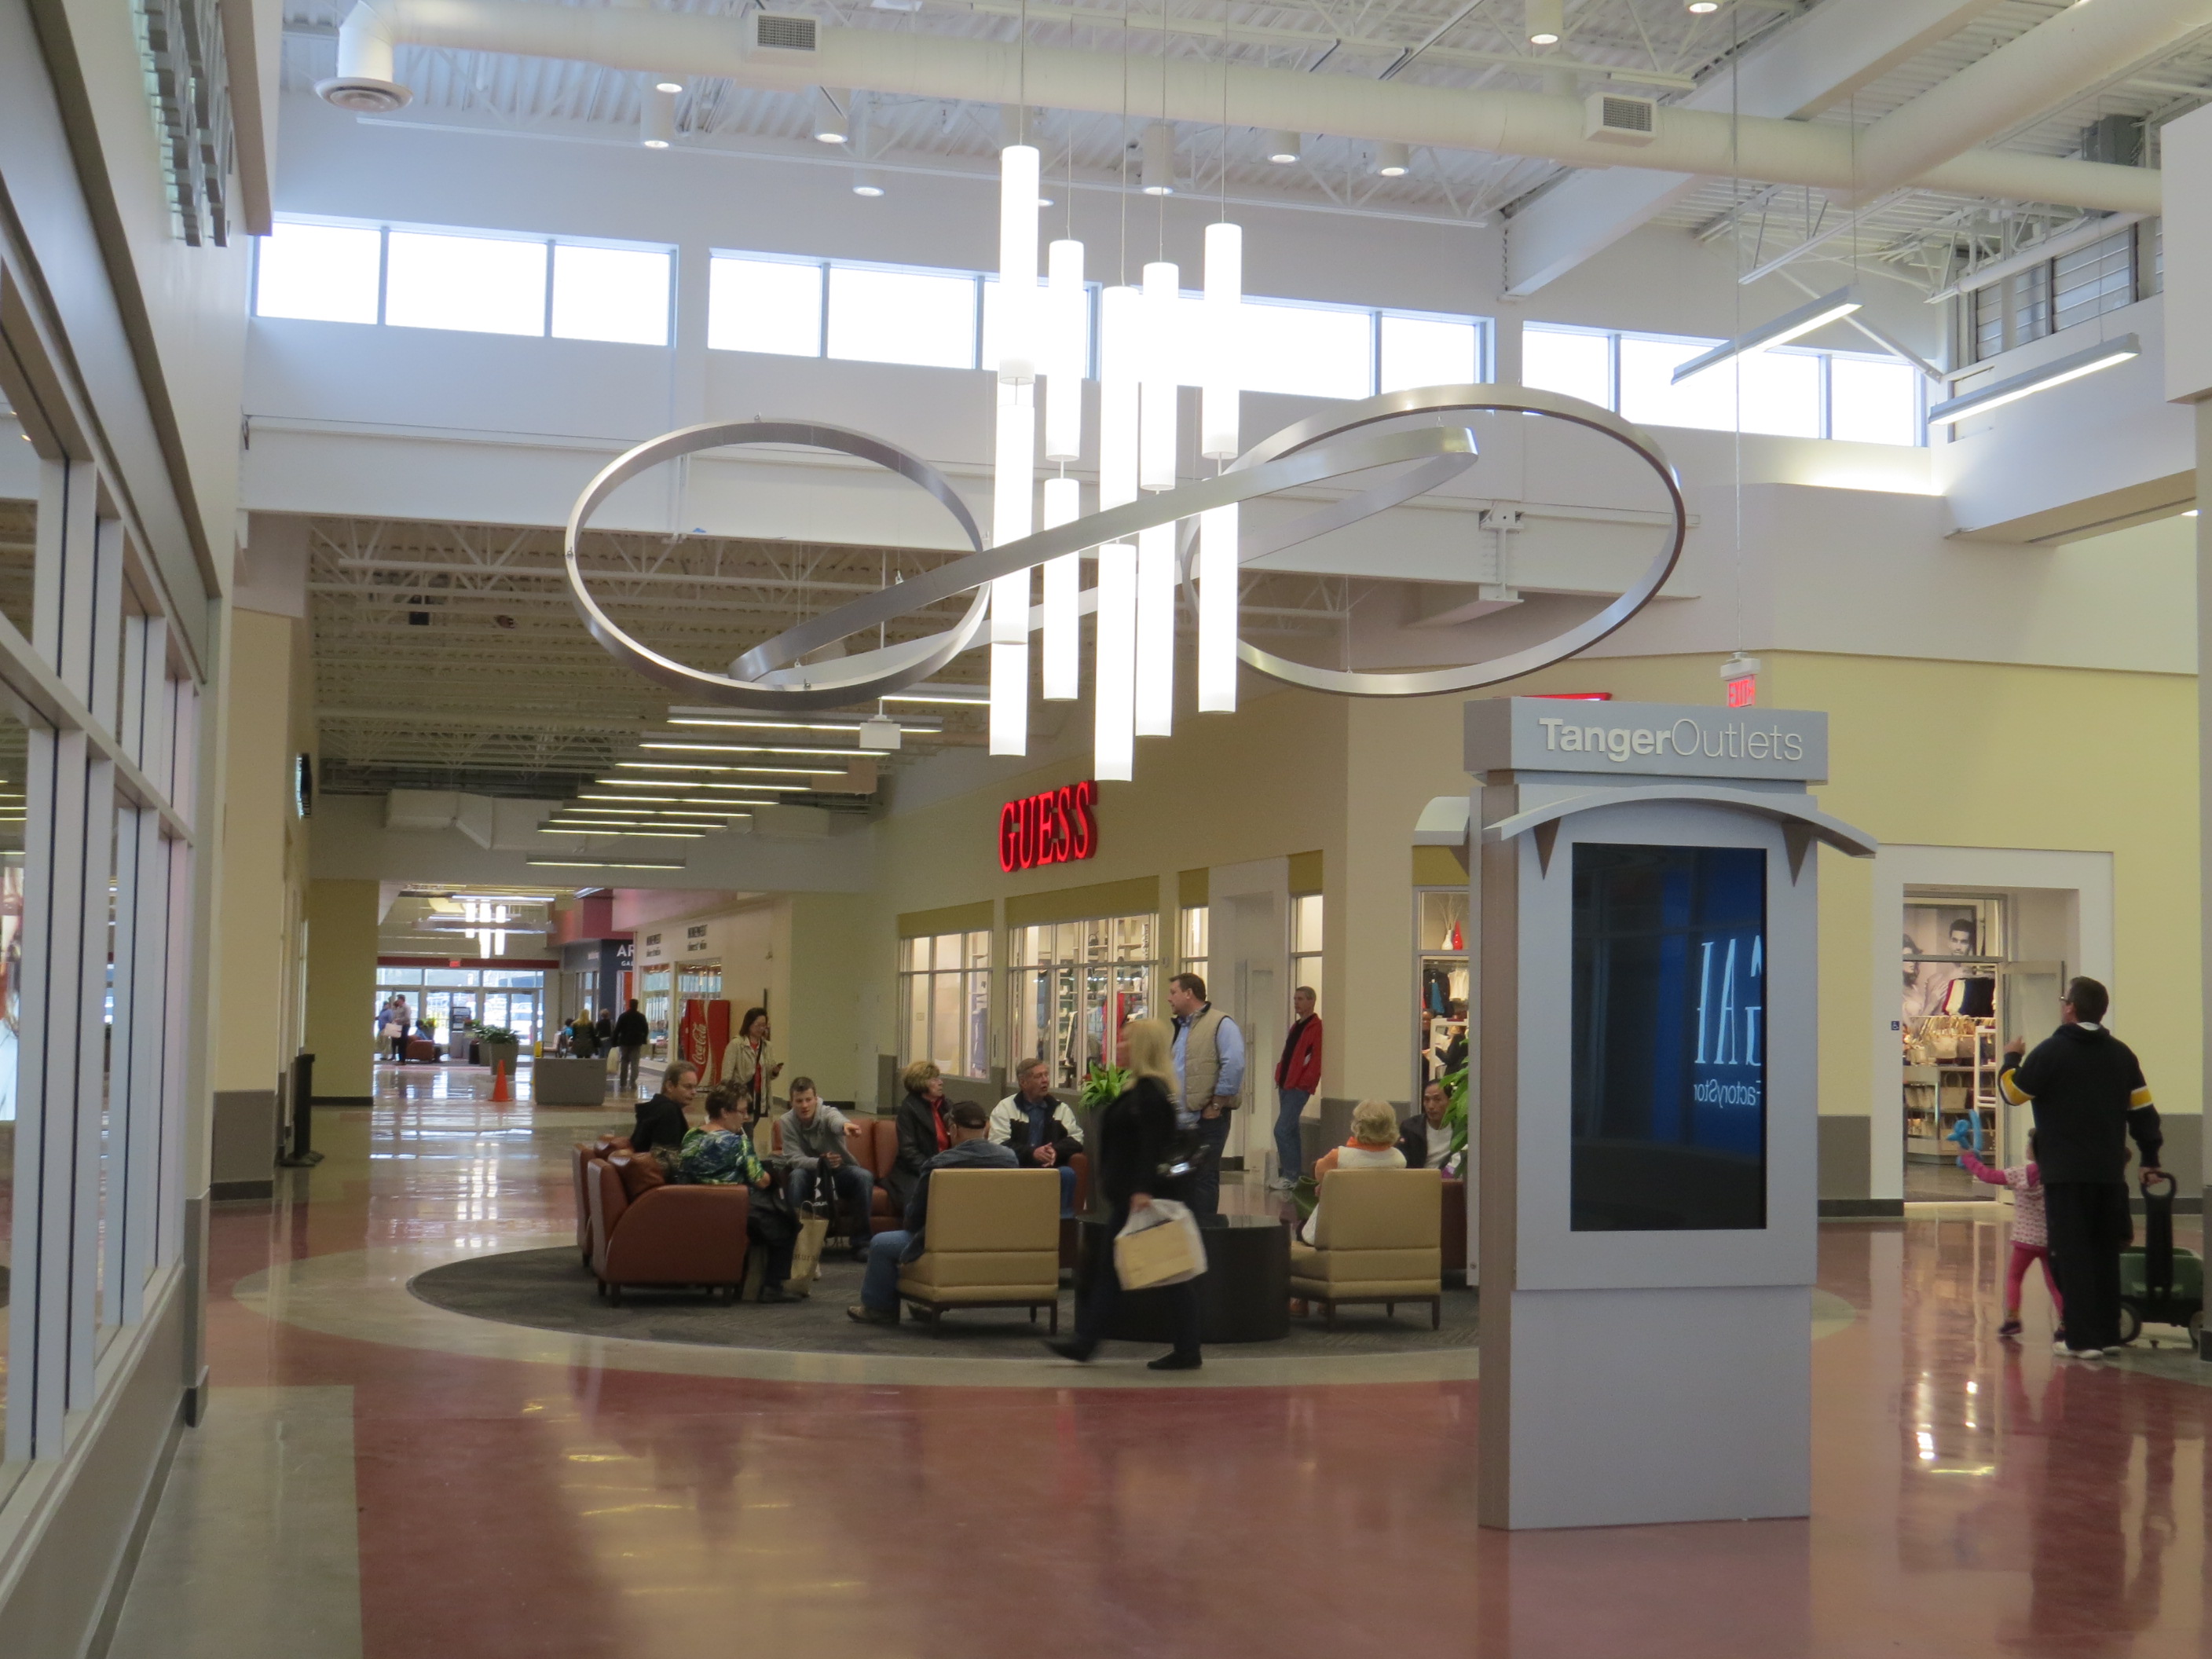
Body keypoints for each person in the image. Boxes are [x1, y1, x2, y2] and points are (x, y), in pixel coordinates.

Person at [1999, 976, 2164, 1360]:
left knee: (2071, 1254)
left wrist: (2010, 1059)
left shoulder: (2050, 1052)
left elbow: (2012, 1093)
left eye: (2064, 999)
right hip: (2109, 1173)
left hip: (2065, 1174)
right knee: (2105, 1252)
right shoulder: (2122, 1055)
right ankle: (2107, 1335)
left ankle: (2081, 1339)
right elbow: (2143, 1111)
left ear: (2071, 1007)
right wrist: (2150, 1158)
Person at [1046, 1017, 1201, 1371]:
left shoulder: (1149, 1094)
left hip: (1142, 1199)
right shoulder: (1144, 1090)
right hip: (1134, 1196)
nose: (1120, 1046)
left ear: (1143, 1048)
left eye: (1127, 1041)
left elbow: (1149, 1147)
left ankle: (1088, 1343)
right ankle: (1092, 1343)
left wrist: (1141, 1189)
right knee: (1149, 1273)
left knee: (1162, 1274)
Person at [847, 1100, 1017, 1325]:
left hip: (946, 1241)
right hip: (995, 1240)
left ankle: (880, 1308)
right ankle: (920, 1302)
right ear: (986, 1127)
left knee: (881, 1244)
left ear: (954, 1129)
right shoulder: (1009, 1159)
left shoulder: (940, 1164)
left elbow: (916, 1216)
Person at [680, 1083, 800, 1302]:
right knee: (786, 1219)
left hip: (695, 1208)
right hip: (733, 1209)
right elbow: (761, 1181)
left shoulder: (691, 1136)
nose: (745, 1118)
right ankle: (772, 1286)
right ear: (725, 1112)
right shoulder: (737, 1143)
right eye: (742, 1111)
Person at [1961, 1132, 2060, 1339]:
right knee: (2054, 1283)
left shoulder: (2019, 1174)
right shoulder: (2056, 1177)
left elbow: (1988, 1176)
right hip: (2049, 1240)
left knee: (2015, 1277)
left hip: (2024, 1240)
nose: (2026, 1147)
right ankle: (2066, 1322)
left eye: (2029, 1144)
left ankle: (2013, 1320)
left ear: (2035, 1150)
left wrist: (1969, 1159)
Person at [1166, 972, 1244, 1220]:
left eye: (1173, 992)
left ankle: (1206, 1231)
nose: (1169, 998)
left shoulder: (1221, 1024)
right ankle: (1186, 1231)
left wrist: (1217, 1103)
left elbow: (1234, 1064)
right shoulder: (1181, 1028)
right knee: (1182, 1177)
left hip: (1208, 1118)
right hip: (1183, 1120)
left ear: (1189, 993)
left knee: (1204, 1176)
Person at [778, 1076, 876, 1259]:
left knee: (864, 1176)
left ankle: (862, 1242)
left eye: (808, 1100)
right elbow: (794, 1158)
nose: (804, 1105)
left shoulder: (827, 1112)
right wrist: (821, 1163)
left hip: (838, 1172)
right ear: (792, 1102)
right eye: (799, 1101)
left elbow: (836, 1120)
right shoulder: (786, 1121)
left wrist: (845, 1125)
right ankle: (797, 1244)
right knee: (796, 1176)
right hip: (809, 1173)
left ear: (816, 1099)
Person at [1302, 1098, 1405, 1247]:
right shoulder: (1399, 1159)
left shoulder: (1339, 1157)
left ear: (1358, 1126)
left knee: (1301, 1225)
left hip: (1340, 1231)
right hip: (1381, 1228)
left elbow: (1319, 1172)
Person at [990, 1057, 1084, 1216]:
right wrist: (1032, 1153)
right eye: (1038, 1076)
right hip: (1017, 1166)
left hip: (1050, 1168)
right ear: (1023, 1082)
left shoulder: (1060, 1109)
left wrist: (1055, 1151)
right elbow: (998, 1144)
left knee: (1067, 1174)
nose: (1045, 1080)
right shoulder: (1005, 1108)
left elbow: (1077, 1139)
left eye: (1046, 1075)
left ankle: (1062, 1223)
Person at [1271, 986, 1322, 1192]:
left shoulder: (1316, 1027)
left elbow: (1315, 1060)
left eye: (1300, 999)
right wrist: (1280, 1075)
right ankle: (1294, 1176)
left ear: (1311, 1001)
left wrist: (1304, 1083)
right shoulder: (1296, 1027)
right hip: (1286, 1084)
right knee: (1291, 1130)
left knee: (1281, 1130)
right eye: (1295, 999)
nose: (1296, 1003)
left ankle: (1290, 1176)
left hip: (1298, 1087)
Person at [888, 1059, 951, 1216]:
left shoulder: (946, 1105)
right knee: (916, 1199)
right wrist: (932, 1169)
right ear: (921, 1083)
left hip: (946, 1166)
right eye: (934, 1079)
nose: (941, 1082)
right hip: (915, 1170)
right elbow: (909, 1151)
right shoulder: (909, 1108)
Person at [631, 1059, 700, 1153]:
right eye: (688, 1087)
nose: (694, 1092)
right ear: (669, 1086)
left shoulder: (655, 1106)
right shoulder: (669, 1111)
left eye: (695, 1087)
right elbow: (667, 1155)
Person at [1399, 1080, 1457, 1171]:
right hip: (1417, 1177)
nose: (1431, 1106)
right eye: (1427, 1100)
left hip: (1448, 1178)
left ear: (1450, 1102)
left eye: (1437, 1099)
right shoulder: (1410, 1127)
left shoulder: (1461, 1128)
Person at [734, 1007, 781, 1107]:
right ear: (749, 1024)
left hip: (762, 1096)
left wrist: (775, 1072)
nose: (761, 1029)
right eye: (758, 1025)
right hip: (742, 1095)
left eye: (763, 1025)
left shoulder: (767, 1046)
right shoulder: (737, 1044)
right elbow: (726, 1075)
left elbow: (769, 1075)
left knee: (761, 1116)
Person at [612, 998, 650, 1095]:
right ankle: (633, 1081)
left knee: (624, 1062)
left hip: (624, 1042)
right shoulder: (641, 1017)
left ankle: (623, 1082)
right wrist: (644, 1039)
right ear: (637, 1005)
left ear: (629, 1005)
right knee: (635, 1063)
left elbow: (617, 1030)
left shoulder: (623, 1016)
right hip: (636, 1042)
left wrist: (614, 1042)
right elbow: (645, 1029)